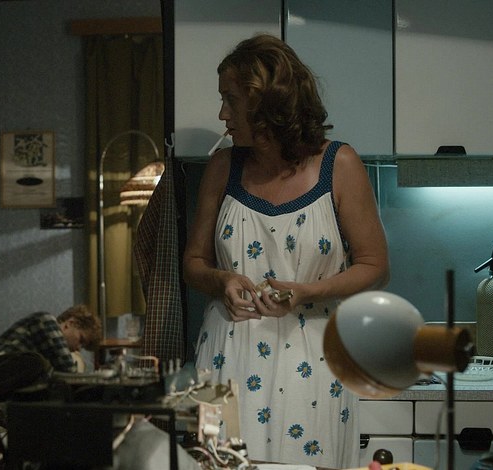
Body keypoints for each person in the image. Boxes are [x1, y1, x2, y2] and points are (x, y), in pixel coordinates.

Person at [183, 34, 389, 468]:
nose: (222, 114)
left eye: (230, 100)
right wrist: (222, 280)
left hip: (313, 363)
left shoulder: (339, 165)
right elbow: (194, 264)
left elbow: (375, 266)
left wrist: (306, 292)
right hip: (225, 360)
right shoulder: (223, 167)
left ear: (266, 103)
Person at [0, 305, 102, 404]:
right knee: (35, 362)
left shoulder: (51, 353)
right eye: (81, 340)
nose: (78, 348)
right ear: (70, 323)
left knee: (45, 383)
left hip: (2, 379)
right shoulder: (46, 320)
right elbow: (68, 370)